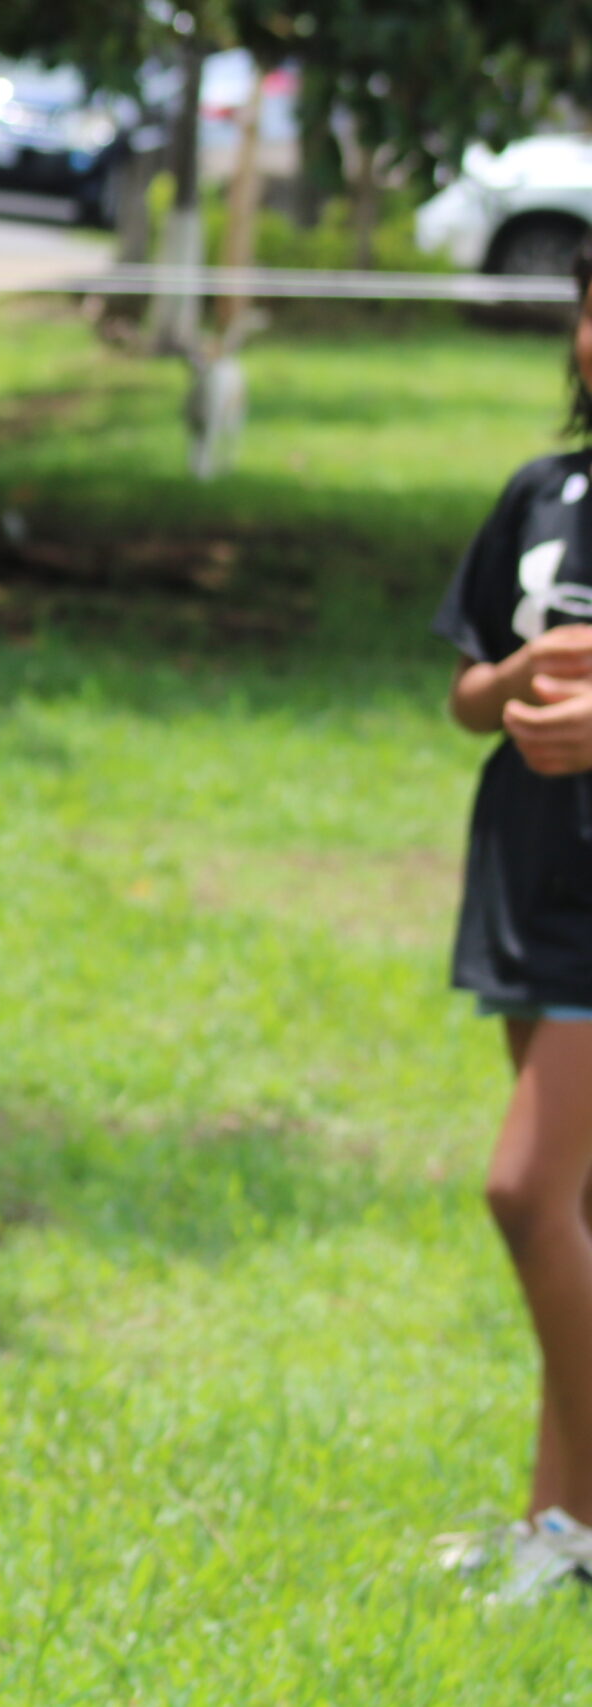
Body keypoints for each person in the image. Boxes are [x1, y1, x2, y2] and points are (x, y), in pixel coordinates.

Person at [433, 237, 592, 1603]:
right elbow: (466, 687)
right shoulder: (543, 495)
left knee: (525, 1190)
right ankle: (557, 1521)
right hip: (530, 880)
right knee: (575, 1209)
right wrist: (521, 677)